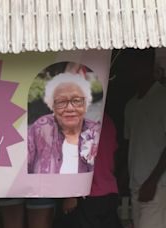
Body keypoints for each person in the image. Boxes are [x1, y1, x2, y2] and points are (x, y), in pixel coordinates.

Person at [123, 48, 166, 228]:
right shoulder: (131, 105)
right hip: (136, 184)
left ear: (149, 67)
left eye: (135, 66)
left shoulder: (162, 98)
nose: (132, 71)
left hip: (157, 185)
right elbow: (129, 144)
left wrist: (153, 180)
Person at [28, 73, 100, 174]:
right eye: (61, 102)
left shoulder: (96, 132)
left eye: (76, 100)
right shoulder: (41, 128)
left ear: (85, 104)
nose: (70, 108)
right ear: (52, 105)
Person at [60, 113, 123, 228]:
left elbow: (75, 159)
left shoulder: (79, 121)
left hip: (88, 192)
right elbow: (114, 156)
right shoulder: (108, 120)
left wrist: (72, 194)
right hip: (109, 189)